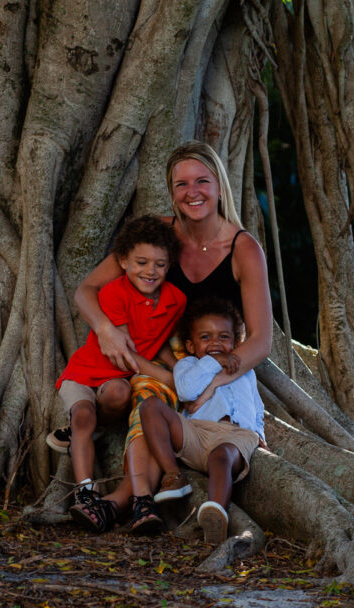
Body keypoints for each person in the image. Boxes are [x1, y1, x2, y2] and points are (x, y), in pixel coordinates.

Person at [68, 140, 273, 532]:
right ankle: (132, 501)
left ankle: (118, 503)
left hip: (211, 370)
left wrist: (213, 382)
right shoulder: (158, 238)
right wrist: (106, 330)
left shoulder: (243, 248)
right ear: (171, 191)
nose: (192, 192)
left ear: (219, 185)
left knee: (164, 405)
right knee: (149, 396)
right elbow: (86, 291)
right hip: (155, 363)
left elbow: (261, 341)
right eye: (181, 184)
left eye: (202, 181)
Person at [52, 215, 186, 532]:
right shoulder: (113, 293)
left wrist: (180, 366)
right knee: (83, 414)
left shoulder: (176, 301)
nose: (150, 271)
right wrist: (167, 378)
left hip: (115, 383)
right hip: (86, 373)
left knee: (120, 393)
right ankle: (85, 491)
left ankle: (82, 433)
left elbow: (155, 340)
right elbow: (126, 354)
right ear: (123, 261)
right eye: (141, 262)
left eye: (160, 265)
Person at [134, 298, 265, 543]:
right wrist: (213, 362)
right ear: (191, 345)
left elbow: (257, 407)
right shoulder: (187, 365)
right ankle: (173, 475)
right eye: (205, 337)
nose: (215, 342)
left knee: (222, 456)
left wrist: (260, 434)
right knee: (151, 406)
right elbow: (186, 391)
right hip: (196, 432)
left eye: (223, 337)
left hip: (236, 437)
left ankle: (216, 514)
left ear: (235, 343)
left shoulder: (246, 369)